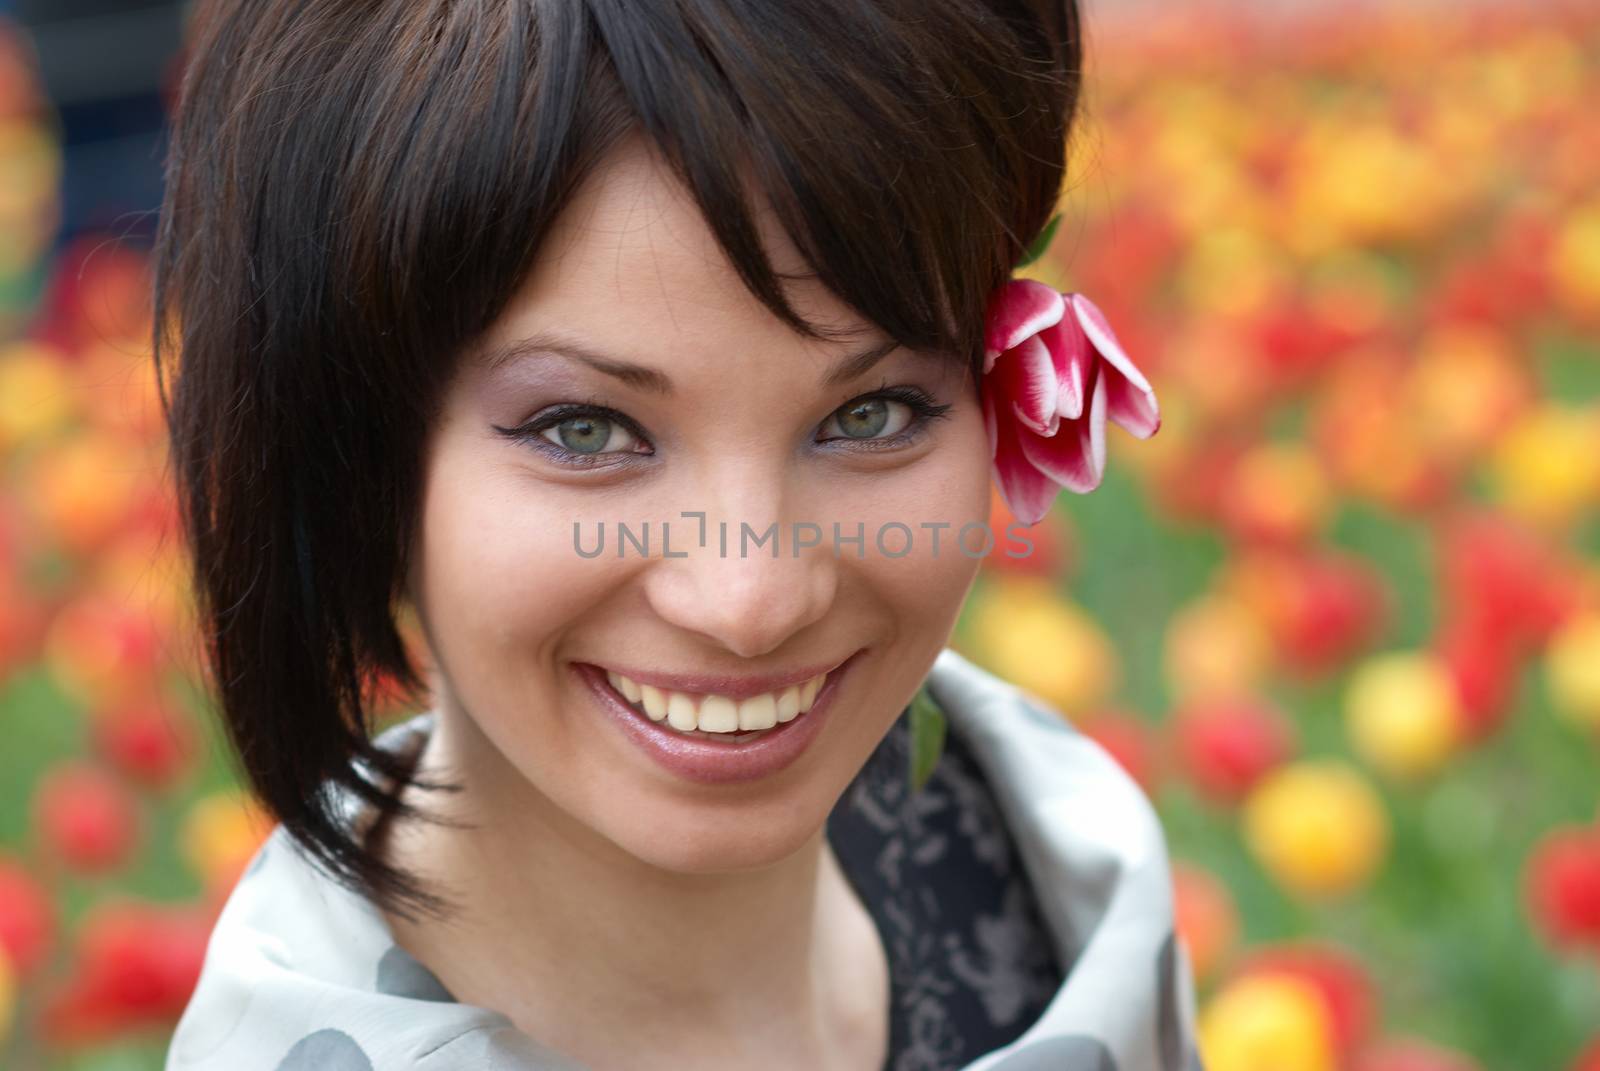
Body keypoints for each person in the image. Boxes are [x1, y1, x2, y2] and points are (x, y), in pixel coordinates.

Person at [154, 1, 1202, 1068]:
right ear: (346, 448)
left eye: (871, 413)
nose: (749, 600)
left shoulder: (1053, 876)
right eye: (584, 429)